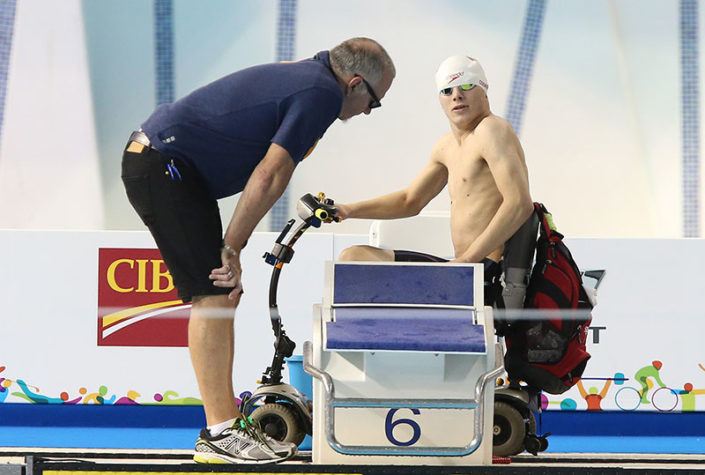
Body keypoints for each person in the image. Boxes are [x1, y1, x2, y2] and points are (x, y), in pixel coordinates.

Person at [121, 37, 395, 464]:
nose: (365, 114)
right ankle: (220, 433)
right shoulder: (322, 92)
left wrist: (232, 245)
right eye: (373, 104)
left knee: (223, 295)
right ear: (356, 83)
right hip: (164, 164)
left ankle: (225, 424)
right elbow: (269, 175)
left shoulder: (312, 78)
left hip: (173, 167)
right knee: (213, 295)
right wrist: (232, 245)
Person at [336, 55, 533, 300]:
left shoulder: (492, 130)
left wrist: (467, 260)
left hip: (487, 272)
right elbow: (410, 201)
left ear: (484, 90)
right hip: (461, 267)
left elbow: (519, 204)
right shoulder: (446, 146)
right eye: (447, 90)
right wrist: (347, 210)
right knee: (353, 258)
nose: (457, 95)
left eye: (467, 86)